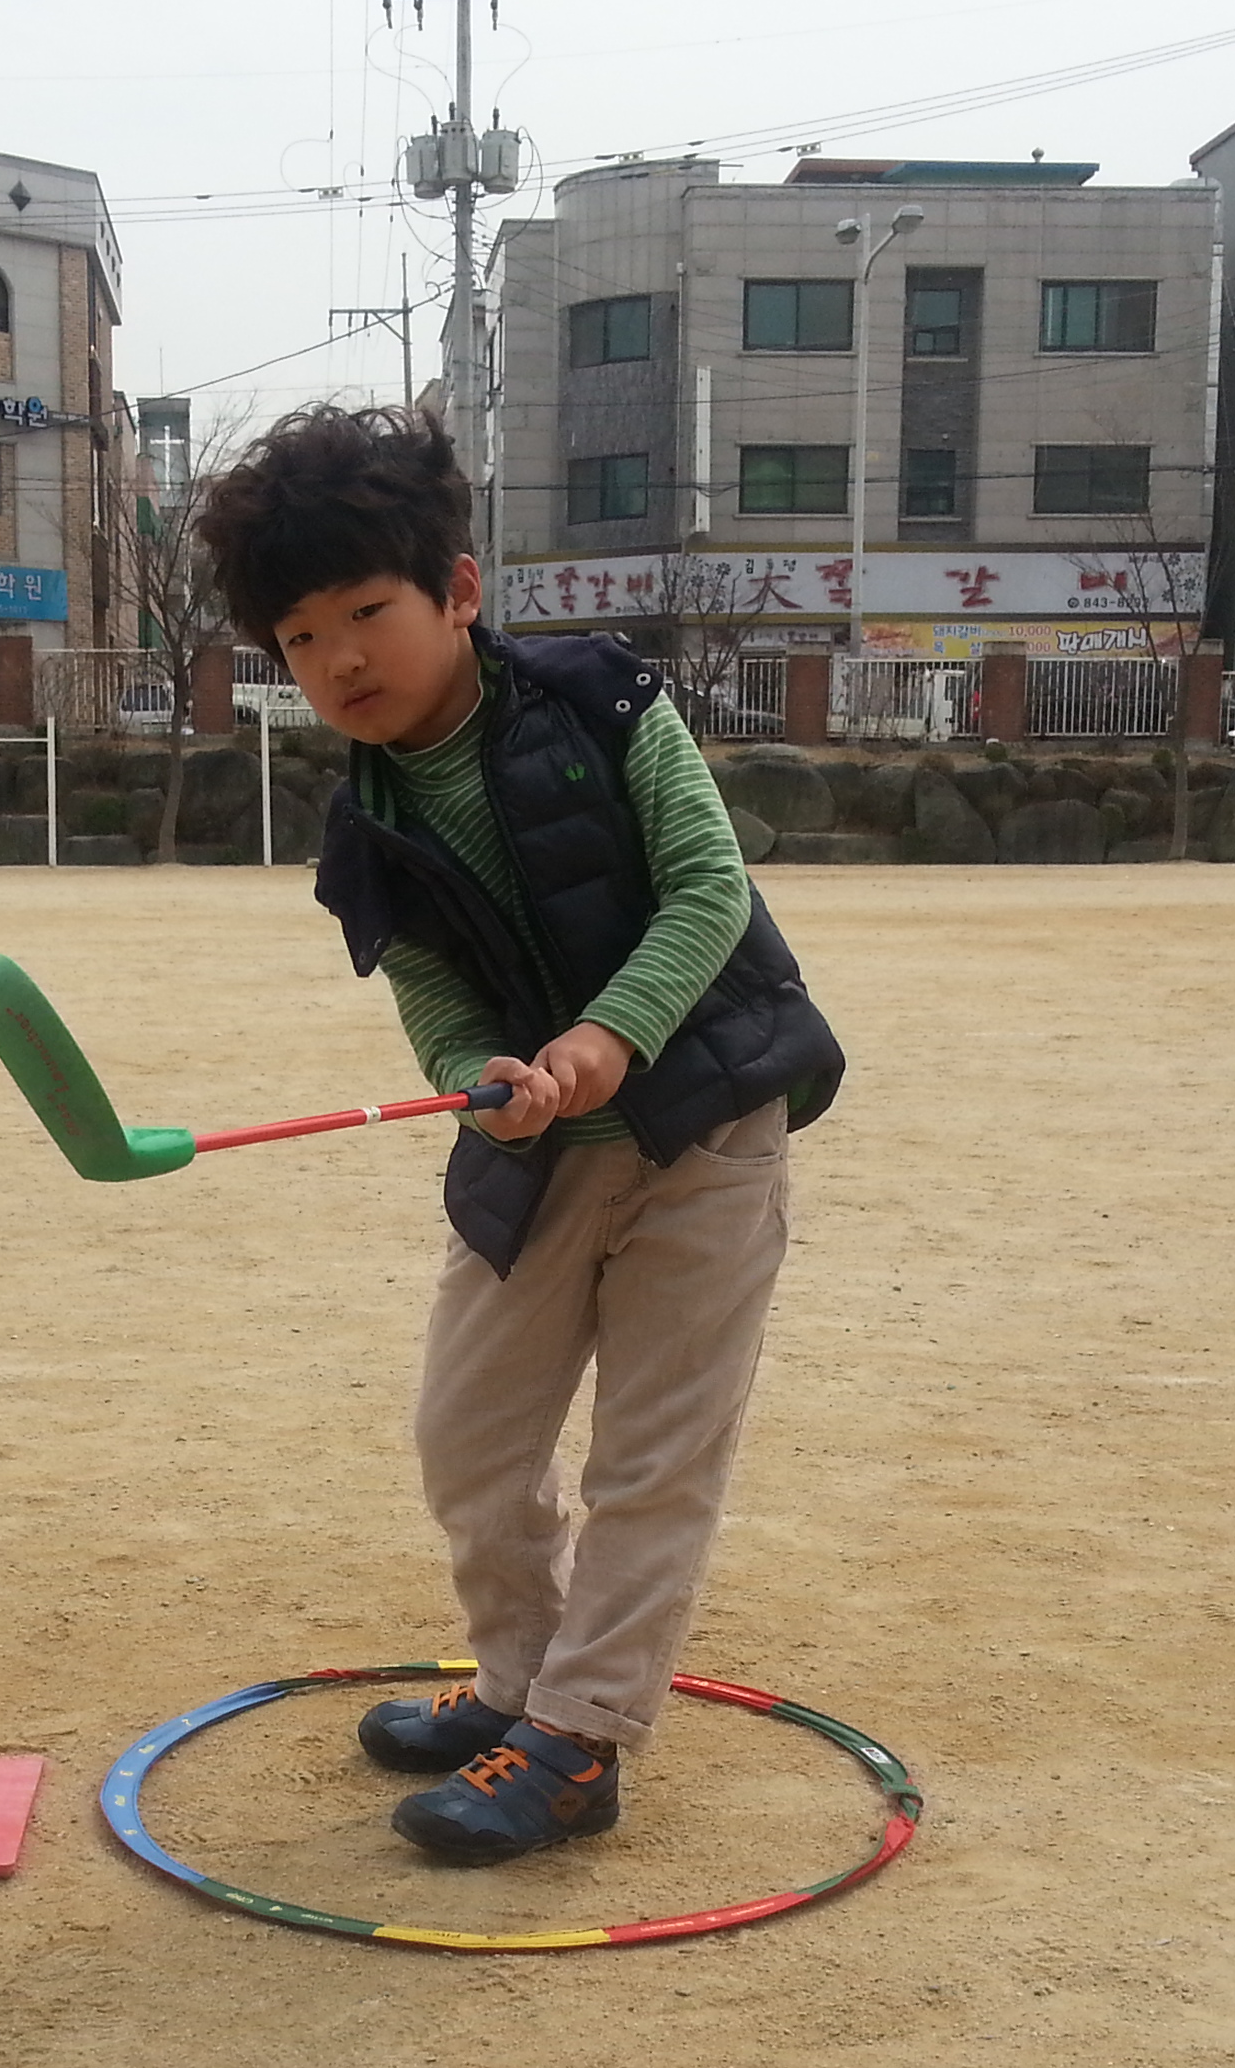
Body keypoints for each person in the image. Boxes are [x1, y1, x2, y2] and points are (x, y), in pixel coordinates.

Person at [194, 405, 844, 1866]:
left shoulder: (603, 700)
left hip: (707, 1120)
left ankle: (582, 1736)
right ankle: (517, 1682)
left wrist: (610, 1036)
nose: (341, 661)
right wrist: (478, 1070)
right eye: (299, 640)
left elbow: (707, 892)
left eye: (368, 612)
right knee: (467, 1436)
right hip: (539, 1145)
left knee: (652, 1455)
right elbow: (430, 999)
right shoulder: (362, 832)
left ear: (459, 593)